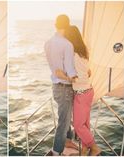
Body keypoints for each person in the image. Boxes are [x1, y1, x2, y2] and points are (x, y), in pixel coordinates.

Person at [55, 25, 102, 156]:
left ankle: (94, 147)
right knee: (85, 123)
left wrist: (62, 75)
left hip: (81, 93)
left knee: (78, 125)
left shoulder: (73, 55)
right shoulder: (83, 51)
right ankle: (86, 148)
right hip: (88, 91)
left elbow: (78, 78)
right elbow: (88, 71)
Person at [44, 14, 78, 156]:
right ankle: (56, 152)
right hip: (65, 87)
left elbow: (54, 67)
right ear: (68, 25)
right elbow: (71, 72)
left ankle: (68, 140)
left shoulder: (48, 43)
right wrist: (77, 77)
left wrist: (59, 73)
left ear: (55, 25)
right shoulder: (67, 44)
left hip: (55, 87)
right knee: (64, 121)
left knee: (66, 116)